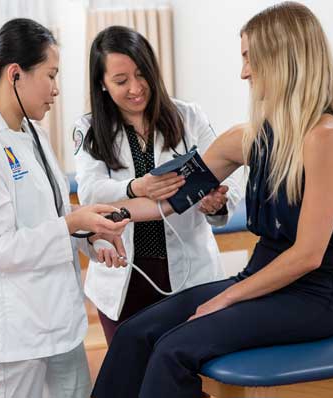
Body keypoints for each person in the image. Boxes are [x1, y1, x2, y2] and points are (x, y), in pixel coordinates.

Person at [91, 2, 333, 397]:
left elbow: (308, 255)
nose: (244, 72)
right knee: (136, 332)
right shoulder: (248, 137)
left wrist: (227, 297)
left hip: (310, 298)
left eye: (250, 58)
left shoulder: (327, 137)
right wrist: (97, 219)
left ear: (282, 58)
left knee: (173, 349)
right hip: (259, 280)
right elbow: (169, 199)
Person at [0, 18, 128, 398]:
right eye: (50, 75)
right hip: (16, 331)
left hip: (59, 321)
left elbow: (57, 213)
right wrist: (71, 224)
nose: (57, 89)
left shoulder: (33, 135)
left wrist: (92, 237)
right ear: (15, 74)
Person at [74, 26, 242, 343]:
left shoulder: (189, 116)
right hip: (125, 277)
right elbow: (90, 192)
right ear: (103, 84)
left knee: (188, 379)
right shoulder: (90, 128)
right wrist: (136, 187)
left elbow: (227, 176)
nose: (136, 88)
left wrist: (217, 202)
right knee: (131, 378)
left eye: (142, 75)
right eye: (121, 81)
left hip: (191, 274)